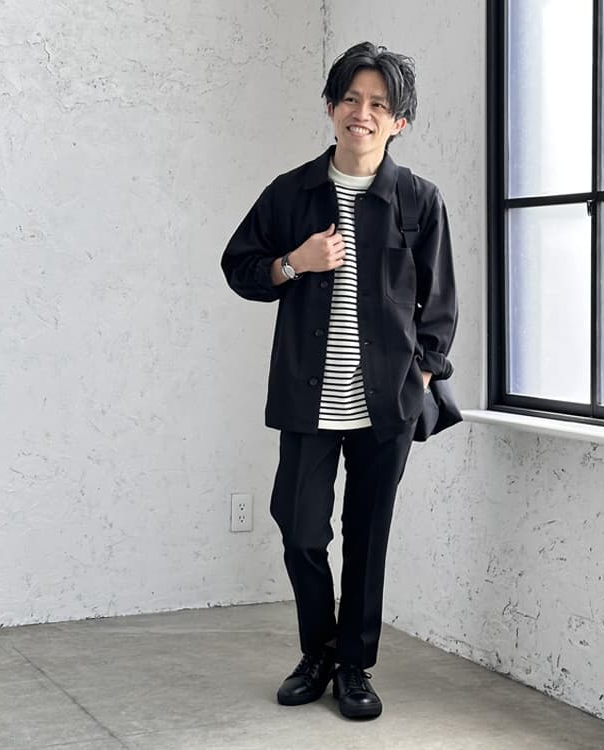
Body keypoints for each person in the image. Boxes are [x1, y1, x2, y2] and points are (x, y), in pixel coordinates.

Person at [221, 41, 457, 720]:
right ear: (331, 107)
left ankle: (354, 665)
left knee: (367, 536)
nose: (363, 112)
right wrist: (293, 262)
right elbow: (240, 266)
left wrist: (420, 373)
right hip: (307, 400)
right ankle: (318, 651)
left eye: (379, 104)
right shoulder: (291, 193)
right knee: (300, 531)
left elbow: (439, 305)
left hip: (387, 407)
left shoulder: (419, 200)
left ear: (399, 121)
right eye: (351, 98)